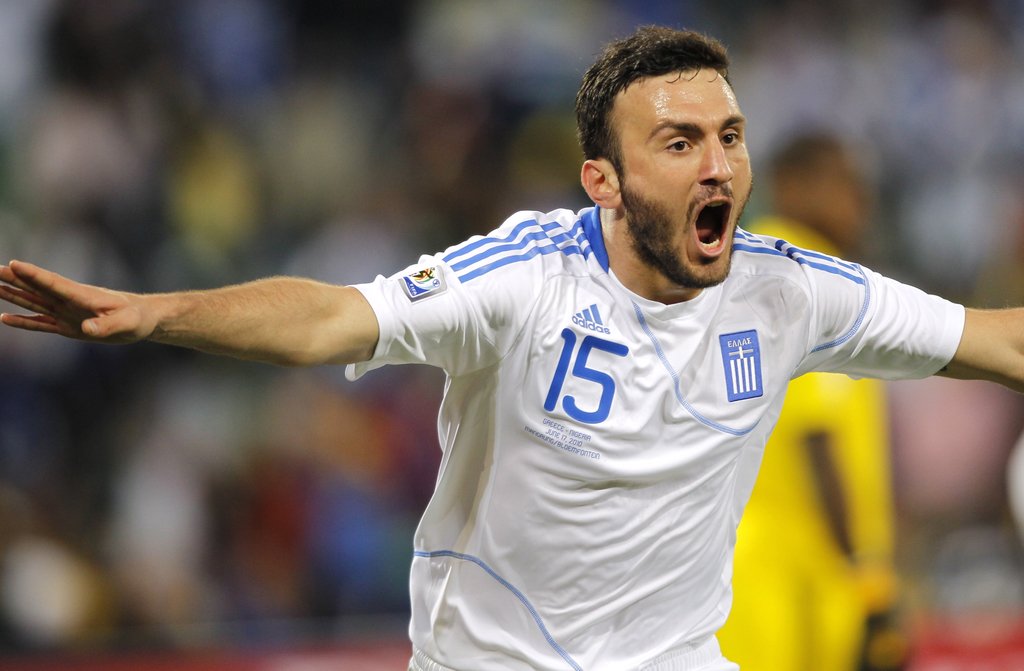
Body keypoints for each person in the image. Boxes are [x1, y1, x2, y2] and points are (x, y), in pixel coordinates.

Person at [1, 25, 1022, 671]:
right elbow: (329, 318)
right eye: (679, 143)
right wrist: (154, 312)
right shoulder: (526, 276)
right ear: (602, 181)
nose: (718, 166)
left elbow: (993, 338)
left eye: (730, 135)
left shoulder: (785, 289)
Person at [716, 134, 907, 671]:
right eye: (843, 183)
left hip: (763, 561)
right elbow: (817, 440)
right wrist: (869, 581)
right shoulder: (802, 273)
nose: (859, 201)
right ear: (793, 186)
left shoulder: (755, 267)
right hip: (789, 570)